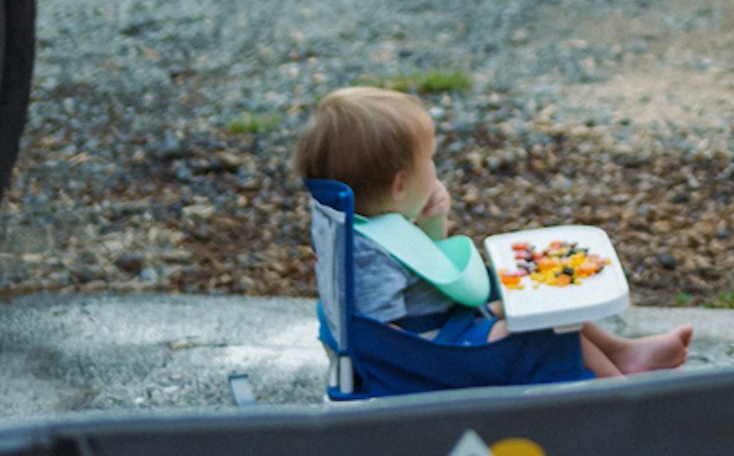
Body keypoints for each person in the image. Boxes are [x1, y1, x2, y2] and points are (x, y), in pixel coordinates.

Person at [291, 85, 690, 378]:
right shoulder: (368, 254)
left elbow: (430, 266)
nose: (435, 168)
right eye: (429, 160)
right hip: (434, 352)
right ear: (399, 185)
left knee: (535, 297)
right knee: (546, 333)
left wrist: (431, 221)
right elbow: (386, 341)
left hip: (445, 327)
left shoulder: (375, 225)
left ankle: (622, 354)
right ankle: (617, 392)